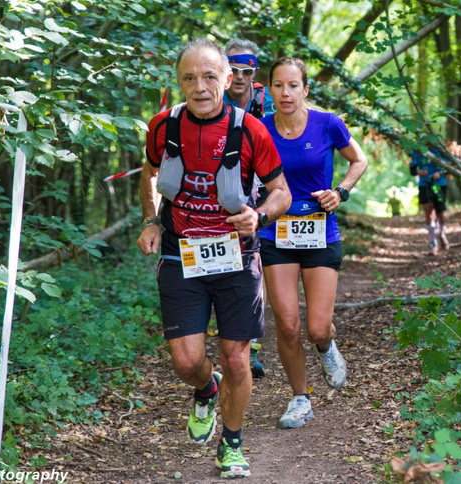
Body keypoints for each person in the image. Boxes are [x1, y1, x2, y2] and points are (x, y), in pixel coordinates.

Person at [137, 38, 291, 478]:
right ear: (180, 81)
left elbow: (282, 191)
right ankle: (206, 390)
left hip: (236, 256)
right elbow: (150, 172)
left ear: (228, 78)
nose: (200, 87)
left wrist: (258, 215)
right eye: (189, 77)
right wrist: (150, 219)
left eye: (209, 76)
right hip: (181, 253)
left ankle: (232, 444)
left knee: (237, 357)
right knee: (186, 361)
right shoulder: (163, 126)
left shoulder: (251, 130)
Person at [258, 57, 368, 429]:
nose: (285, 93)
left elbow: (359, 160)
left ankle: (326, 346)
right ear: (269, 89)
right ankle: (300, 399)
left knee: (316, 328)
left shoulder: (327, 123)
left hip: (320, 231)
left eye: (293, 85)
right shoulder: (258, 130)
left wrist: (341, 192)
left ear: (306, 89)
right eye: (278, 85)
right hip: (275, 233)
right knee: (287, 325)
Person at [223, 38, 274, 379]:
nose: (240, 77)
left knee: (261, 259)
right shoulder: (212, 94)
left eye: (246, 70)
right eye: (234, 70)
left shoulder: (266, 99)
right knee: (229, 262)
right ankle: (231, 338)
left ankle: (251, 343)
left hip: (265, 184)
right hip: (226, 186)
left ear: (254, 72)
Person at [409, 147, 450, 255]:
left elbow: (448, 167)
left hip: (439, 185)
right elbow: (412, 171)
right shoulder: (417, 151)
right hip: (424, 185)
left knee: (440, 213)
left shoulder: (440, 150)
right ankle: (433, 242)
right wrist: (419, 172)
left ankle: (441, 234)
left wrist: (439, 173)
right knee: (428, 213)